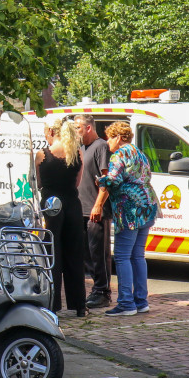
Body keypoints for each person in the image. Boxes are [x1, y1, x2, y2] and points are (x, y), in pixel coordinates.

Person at [94, 121, 160, 317]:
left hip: (129, 211)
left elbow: (113, 179)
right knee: (138, 256)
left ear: (118, 137)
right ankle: (141, 301)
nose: (107, 143)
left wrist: (100, 180)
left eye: (109, 138)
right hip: (147, 206)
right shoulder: (140, 154)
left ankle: (126, 303)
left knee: (123, 256)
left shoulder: (119, 155)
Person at [36, 118, 87, 317]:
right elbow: (77, 183)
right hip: (72, 205)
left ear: (51, 131)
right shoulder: (77, 154)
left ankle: (53, 304)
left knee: (52, 253)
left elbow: (39, 183)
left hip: (51, 205)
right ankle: (79, 305)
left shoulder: (42, 155)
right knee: (75, 254)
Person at [76, 115, 113, 309]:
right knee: (87, 254)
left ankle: (103, 292)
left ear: (89, 127)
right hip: (81, 208)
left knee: (99, 253)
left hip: (95, 208)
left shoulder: (101, 146)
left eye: (79, 127)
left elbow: (106, 180)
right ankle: (96, 290)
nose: (76, 131)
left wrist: (98, 204)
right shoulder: (82, 147)